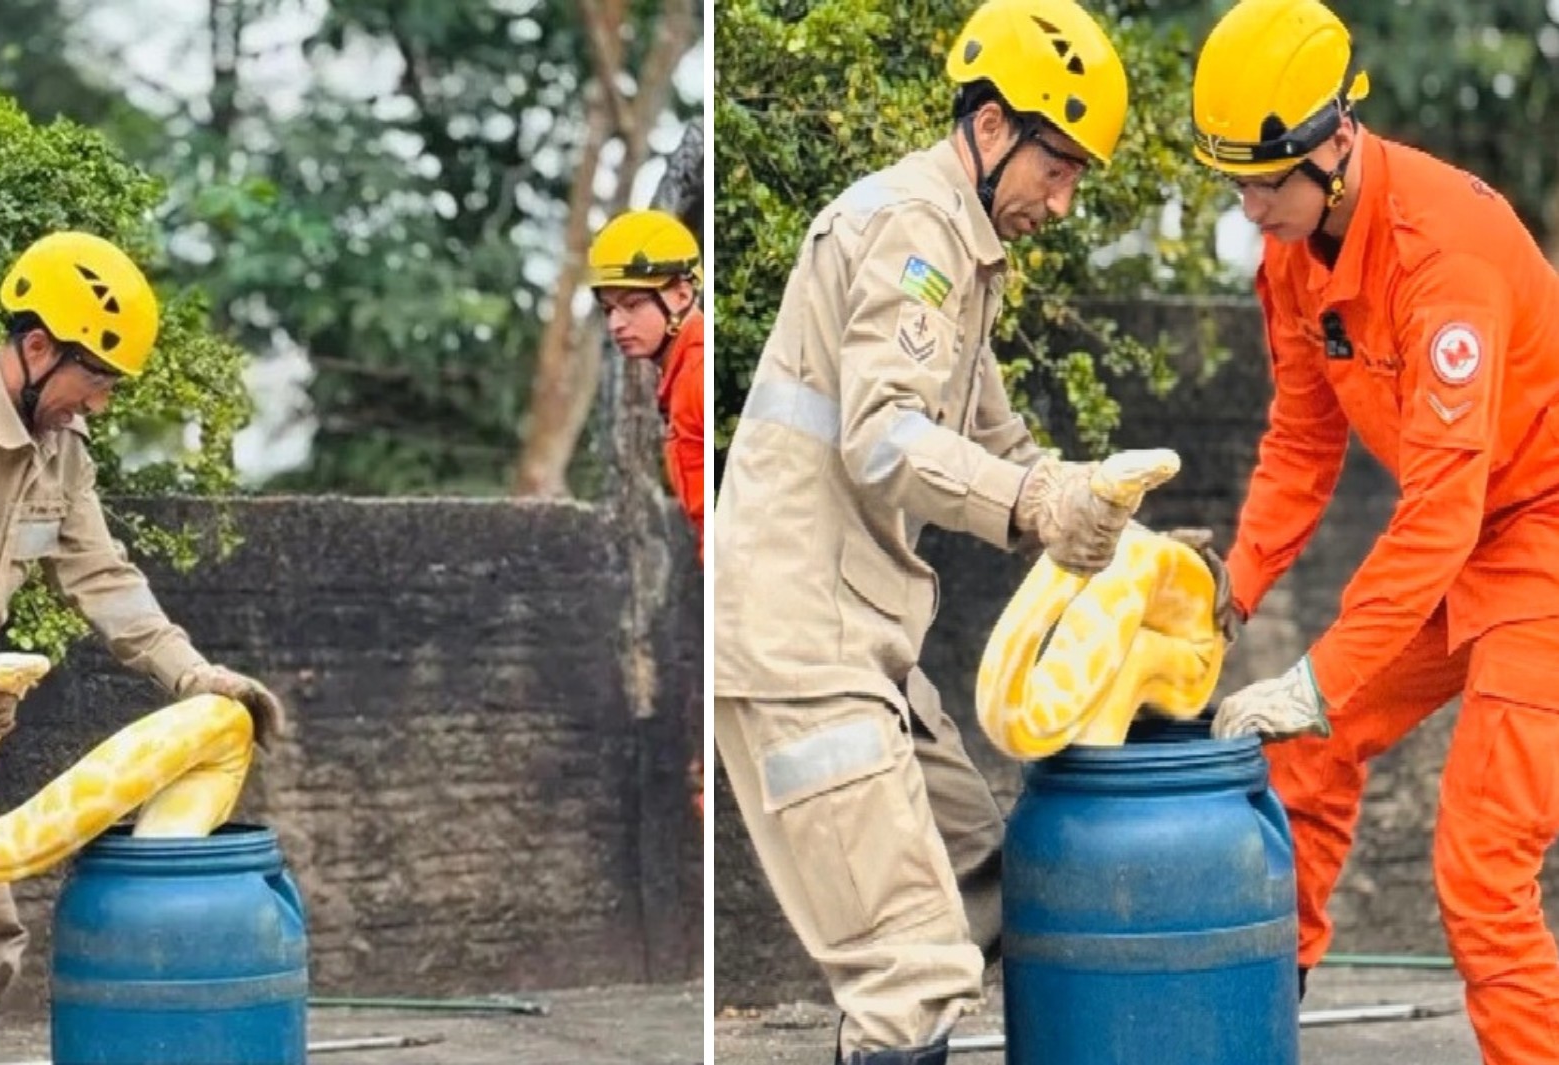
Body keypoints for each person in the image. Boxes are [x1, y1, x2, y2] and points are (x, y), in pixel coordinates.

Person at [712, 1, 1141, 1060]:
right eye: (1058, 165)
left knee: (994, 887)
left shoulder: (961, 250)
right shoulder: (907, 227)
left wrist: (1100, 518)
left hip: (864, 642)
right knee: (910, 976)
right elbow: (884, 440)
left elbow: (999, 440)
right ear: (991, 126)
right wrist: (1034, 506)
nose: (1064, 198)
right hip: (798, 644)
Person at [1194, 1, 1559, 1060]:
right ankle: (1261, 1024)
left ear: (1336, 142)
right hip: (1462, 535)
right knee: (1304, 761)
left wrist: (1313, 676)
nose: (1251, 209)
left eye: (1267, 181)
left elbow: (1440, 511)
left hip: (1541, 538)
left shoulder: (1445, 257)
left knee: (1481, 867)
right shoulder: (1291, 253)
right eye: (1236, 183)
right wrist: (1233, 587)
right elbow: (1301, 442)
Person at [0, 230, 287, 1065]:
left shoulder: (62, 452)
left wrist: (194, 673)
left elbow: (102, 576)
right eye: (94, 377)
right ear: (39, 345)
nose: (99, 402)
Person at [587, 209, 705, 560]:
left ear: (682, 296)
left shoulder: (697, 374)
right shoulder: (681, 372)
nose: (616, 324)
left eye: (632, 305)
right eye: (609, 310)